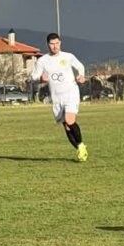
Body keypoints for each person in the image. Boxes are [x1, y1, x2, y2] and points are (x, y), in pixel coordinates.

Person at [31, 33, 89, 162]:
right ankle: (81, 147)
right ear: (48, 45)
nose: (55, 46)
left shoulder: (68, 56)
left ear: (60, 43)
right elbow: (33, 76)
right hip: (57, 98)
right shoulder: (42, 61)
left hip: (71, 93)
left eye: (57, 43)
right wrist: (40, 78)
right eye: (52, 44)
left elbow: (80, 66)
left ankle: (81, 147)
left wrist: (81, 75)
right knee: (67, 126)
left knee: (70, 120)